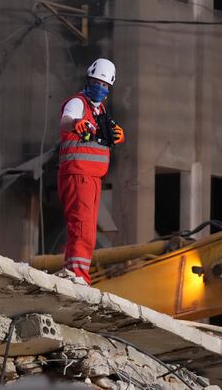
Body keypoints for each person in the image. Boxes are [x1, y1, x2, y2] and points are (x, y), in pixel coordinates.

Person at [57, 58, 125, 285]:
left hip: (93, 178)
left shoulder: (100, 110)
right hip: (78, 174)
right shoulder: (78, 103)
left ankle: (76, 273)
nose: (101, 87)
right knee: (81, 227)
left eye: (105, 85)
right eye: (97, 82)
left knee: (87, 229)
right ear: (89, 80)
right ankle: (77, 275)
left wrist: (114, 134)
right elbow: (66, 121)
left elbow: (104, 134)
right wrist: (76, 123)